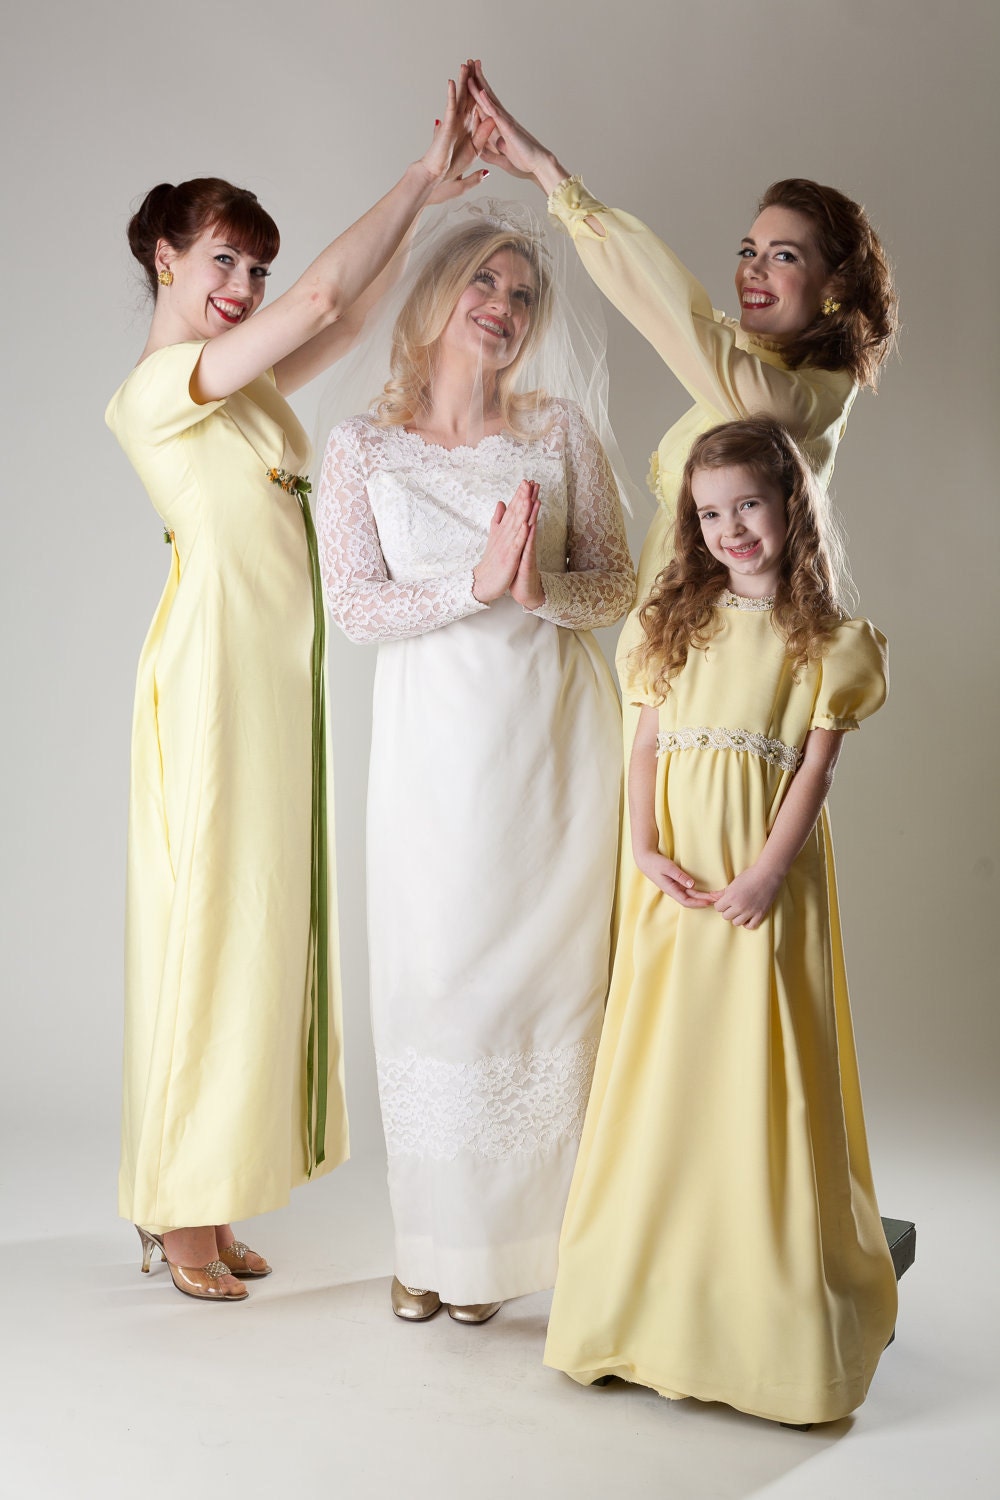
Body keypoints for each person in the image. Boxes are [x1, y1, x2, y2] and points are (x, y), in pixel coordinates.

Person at [107, 74, 494, 1302]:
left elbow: (348, 314)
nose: (245, 285)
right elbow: (324, 298)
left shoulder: (243, 385)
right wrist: (418, 175)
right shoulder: (162, 388)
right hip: (215, 678)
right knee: (210, 929)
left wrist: (429, 207)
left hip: (272, 680)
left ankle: (203, 1202)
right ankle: (179, 1215)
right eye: (224, 260)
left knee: (257, 925)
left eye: (256, 269)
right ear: (166, 258)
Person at [542, 417, 898, 1425]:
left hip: (760, 884)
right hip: (675, 885)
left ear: (790, 505)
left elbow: (814, 773)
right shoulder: (673, 626)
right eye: (709, 514)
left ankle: (766, 1329)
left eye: (748, 504)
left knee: (754, 1068)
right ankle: (635, 1306)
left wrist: (767, 875)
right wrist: (644, 849)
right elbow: (644, 748)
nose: (731, 528)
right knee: (665, 1066)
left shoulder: (828, 643)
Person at [317, 204, 635, 1323]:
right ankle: (433, 1244)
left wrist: (538, 589)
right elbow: (353, 606)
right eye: (485, 285)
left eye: (523, 297)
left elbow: (617, 583)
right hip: (433, 758)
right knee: (437, 986)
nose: (503, 309)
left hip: (552, 750)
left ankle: (522, 1252)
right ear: (439, 293)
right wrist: (474, 584)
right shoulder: (362, 446)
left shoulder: (558, 432)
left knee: (545, 996)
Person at [464, 60, 897, 691]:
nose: (753, 270)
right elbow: (682, 310)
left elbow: (673, 313)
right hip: (662, 641)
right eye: (748, 251)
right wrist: (543, 176)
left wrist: (552, 175)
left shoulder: (801, 400)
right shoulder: (751, 362)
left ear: (834, 288)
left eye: (783, 256)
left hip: (718, 662)